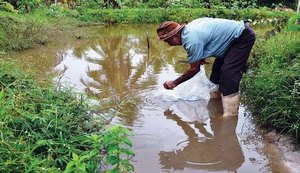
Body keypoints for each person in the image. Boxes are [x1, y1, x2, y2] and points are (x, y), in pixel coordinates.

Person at [156, 17, 256, 116]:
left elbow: (194, 69)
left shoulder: (191, 40)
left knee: (228, 74)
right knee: (216, 74)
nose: (169, 45)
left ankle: (230, 116)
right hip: (228, 41)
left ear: (175, 36)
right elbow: (208, 39)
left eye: (168, 41)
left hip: (242, 36)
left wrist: (174, 82)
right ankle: (216, 106)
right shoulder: (189, 31)